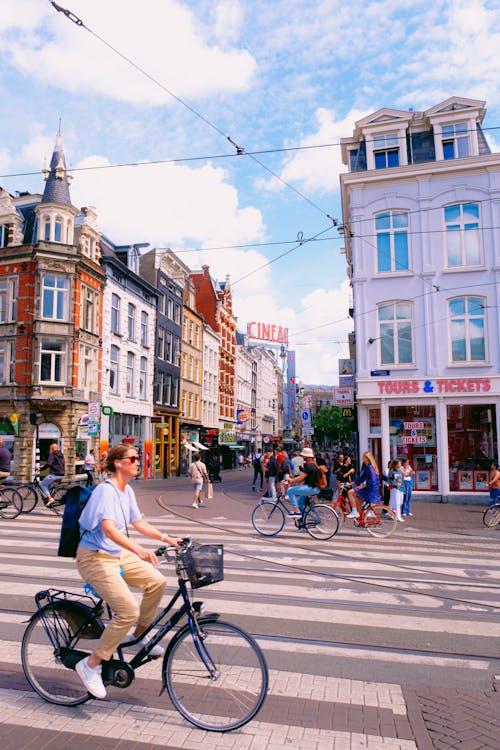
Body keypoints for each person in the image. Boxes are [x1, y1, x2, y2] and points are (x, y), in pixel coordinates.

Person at [74, 444, 182, 699]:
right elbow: (109, 529)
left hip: (114, 553)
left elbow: (138, 523)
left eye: (137, 458)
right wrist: (139, 550)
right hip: (94, 557)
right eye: (133, 458)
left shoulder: (127, 491)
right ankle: (90, 665)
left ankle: (139, 636)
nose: (137, 462)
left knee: (157, 582)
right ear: (118, 463)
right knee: (127, 611)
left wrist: (167, 538)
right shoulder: (105, 491)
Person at [281, 447, 319, 518]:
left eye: (303, 455)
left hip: (310, 488)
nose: (302, 457)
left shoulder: (309, 465)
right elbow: (302, 478)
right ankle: (303, 521)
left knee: (290, 491)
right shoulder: (312, 464)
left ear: (307, 457)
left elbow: (300, 478)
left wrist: (289, 481)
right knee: (299, 503)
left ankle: (297, 512)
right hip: (313, 487)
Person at [346, 452, 380, 519]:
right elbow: (361, 478)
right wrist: (351, 483)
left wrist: (364, 485)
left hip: (370, 489)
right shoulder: (367, 467)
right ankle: (362, 520)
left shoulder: (370, 467)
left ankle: (354, 512)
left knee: (350, 492)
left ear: (367, 458)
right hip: (370, 488)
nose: (362, 458)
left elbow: (373, 480)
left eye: (364, 457)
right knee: (358, 503)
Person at [39, 442, 65, 507]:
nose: (50, 449)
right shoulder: (61, 454)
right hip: (61, 474)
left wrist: (41, 469)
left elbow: (49, 464)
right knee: (48, 484)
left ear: (52, 448)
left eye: (50, 448)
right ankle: (49, 501)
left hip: (55, 474)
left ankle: (50, 499)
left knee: (42, 484)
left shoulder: (52, 454)